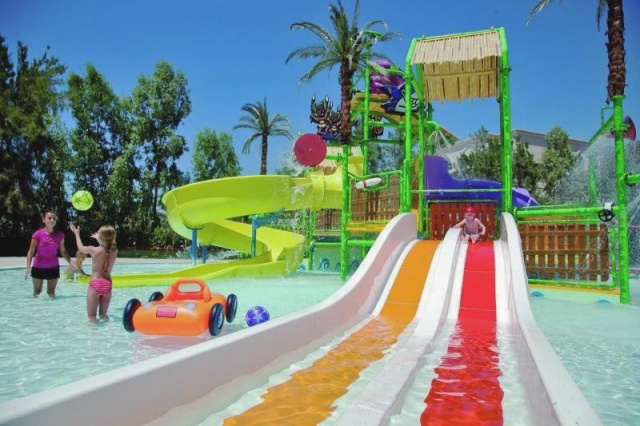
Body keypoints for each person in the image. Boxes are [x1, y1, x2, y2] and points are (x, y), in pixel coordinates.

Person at [70, 224, 117, 322]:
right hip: (107, 285)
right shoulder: (114, 250)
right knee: (103, 315)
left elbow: (80, 247)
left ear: (101, 236)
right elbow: (106, 247)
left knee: (92, 317)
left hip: (95, 284)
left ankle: (94, 332)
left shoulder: (93, 250)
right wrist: (99, 239)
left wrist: (77, 234)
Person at [25, 211, 74, 299]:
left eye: (54, 218)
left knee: (51, 292)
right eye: (49, 218)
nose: (52, 220)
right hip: (38, 266)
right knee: (37, 291)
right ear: (43, 220)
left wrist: (71, 263)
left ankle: (52, 307)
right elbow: (31, 252)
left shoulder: (60, 235)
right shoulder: (37, 234)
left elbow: (63, 251)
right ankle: (34, 306)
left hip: (53, 267)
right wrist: (28, 267)